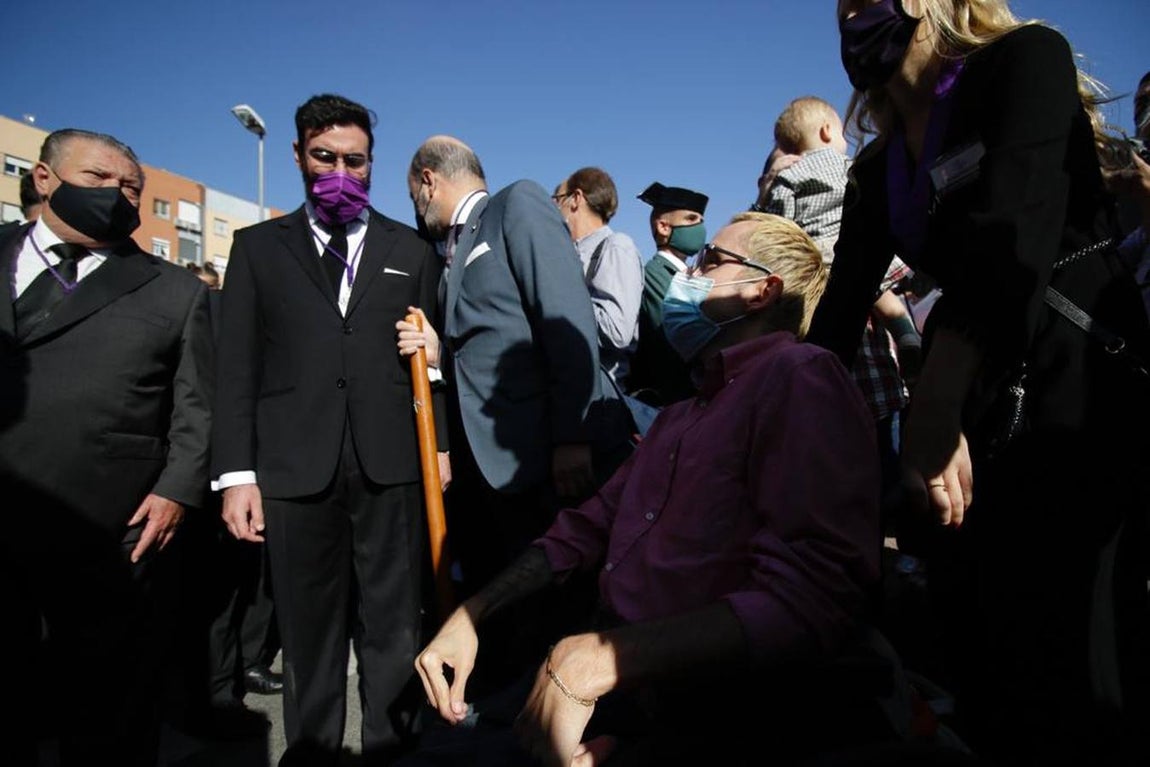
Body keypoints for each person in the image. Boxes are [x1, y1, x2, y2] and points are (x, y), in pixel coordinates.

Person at [409, 212, 887, 767]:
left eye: (712, 258)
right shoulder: (681, 414)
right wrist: (472, 613)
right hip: (605, 674)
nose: (689, 270)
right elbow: (584, 528)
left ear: (762, 290)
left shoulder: (801, 376)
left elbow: (815, 595)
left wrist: (601, 660)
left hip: (695, 707)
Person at [807, 2, 1150, 764]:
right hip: (979, 409)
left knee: (1083, 650)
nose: (854, 16)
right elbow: (834, 320)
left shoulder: (1025, 61)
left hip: (1076, 384)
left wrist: (936, 399)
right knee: (987, 645)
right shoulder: (875, 169)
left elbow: (1013, 231)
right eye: (843, 8)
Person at [212, 94, 445, 765]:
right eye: (325, 157)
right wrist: (236, 476)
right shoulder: (256, 250)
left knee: (394, 632)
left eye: (355, 160)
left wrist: (441, 447)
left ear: (373, 164)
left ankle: (393, 754)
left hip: (391, 466)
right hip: (293, 468)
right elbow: (236, 371)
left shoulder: (412, 249)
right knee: (310, 636)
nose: (340, 170)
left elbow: (429, 366)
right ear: (297, 156)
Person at [0, 128, 213, 765]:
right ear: (44, 178)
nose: (118, 195)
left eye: (131, 188)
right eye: (99, 179)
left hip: (111, 529)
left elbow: (197, 407)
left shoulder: (174, 290)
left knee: (108, 711)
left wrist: (177, 489)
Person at [399, 136, 629, 696]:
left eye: (414, 194)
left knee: (562, 602)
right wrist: (439, 353)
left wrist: (571, 435)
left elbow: (566, 318)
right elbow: (494, 338)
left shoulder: (516, 204)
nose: (415, 209)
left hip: (549, 455)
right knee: (523, 604)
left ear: (428, 180)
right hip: (498, 469)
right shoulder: (447, 254)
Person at [552, 167, 643, 388]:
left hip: (598, 398)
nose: (553, 208)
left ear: (576, 199)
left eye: (556, 200)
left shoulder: (616, 247)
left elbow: (617, 330)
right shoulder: (569, 253)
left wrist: (554, 298)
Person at [626, 182, 708, 407]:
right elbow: (676, 338)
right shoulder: (655, 276)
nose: (700, 227)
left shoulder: (688, 275)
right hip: (670, 400)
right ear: (663, 227)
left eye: (701, 221)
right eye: (691, 219)